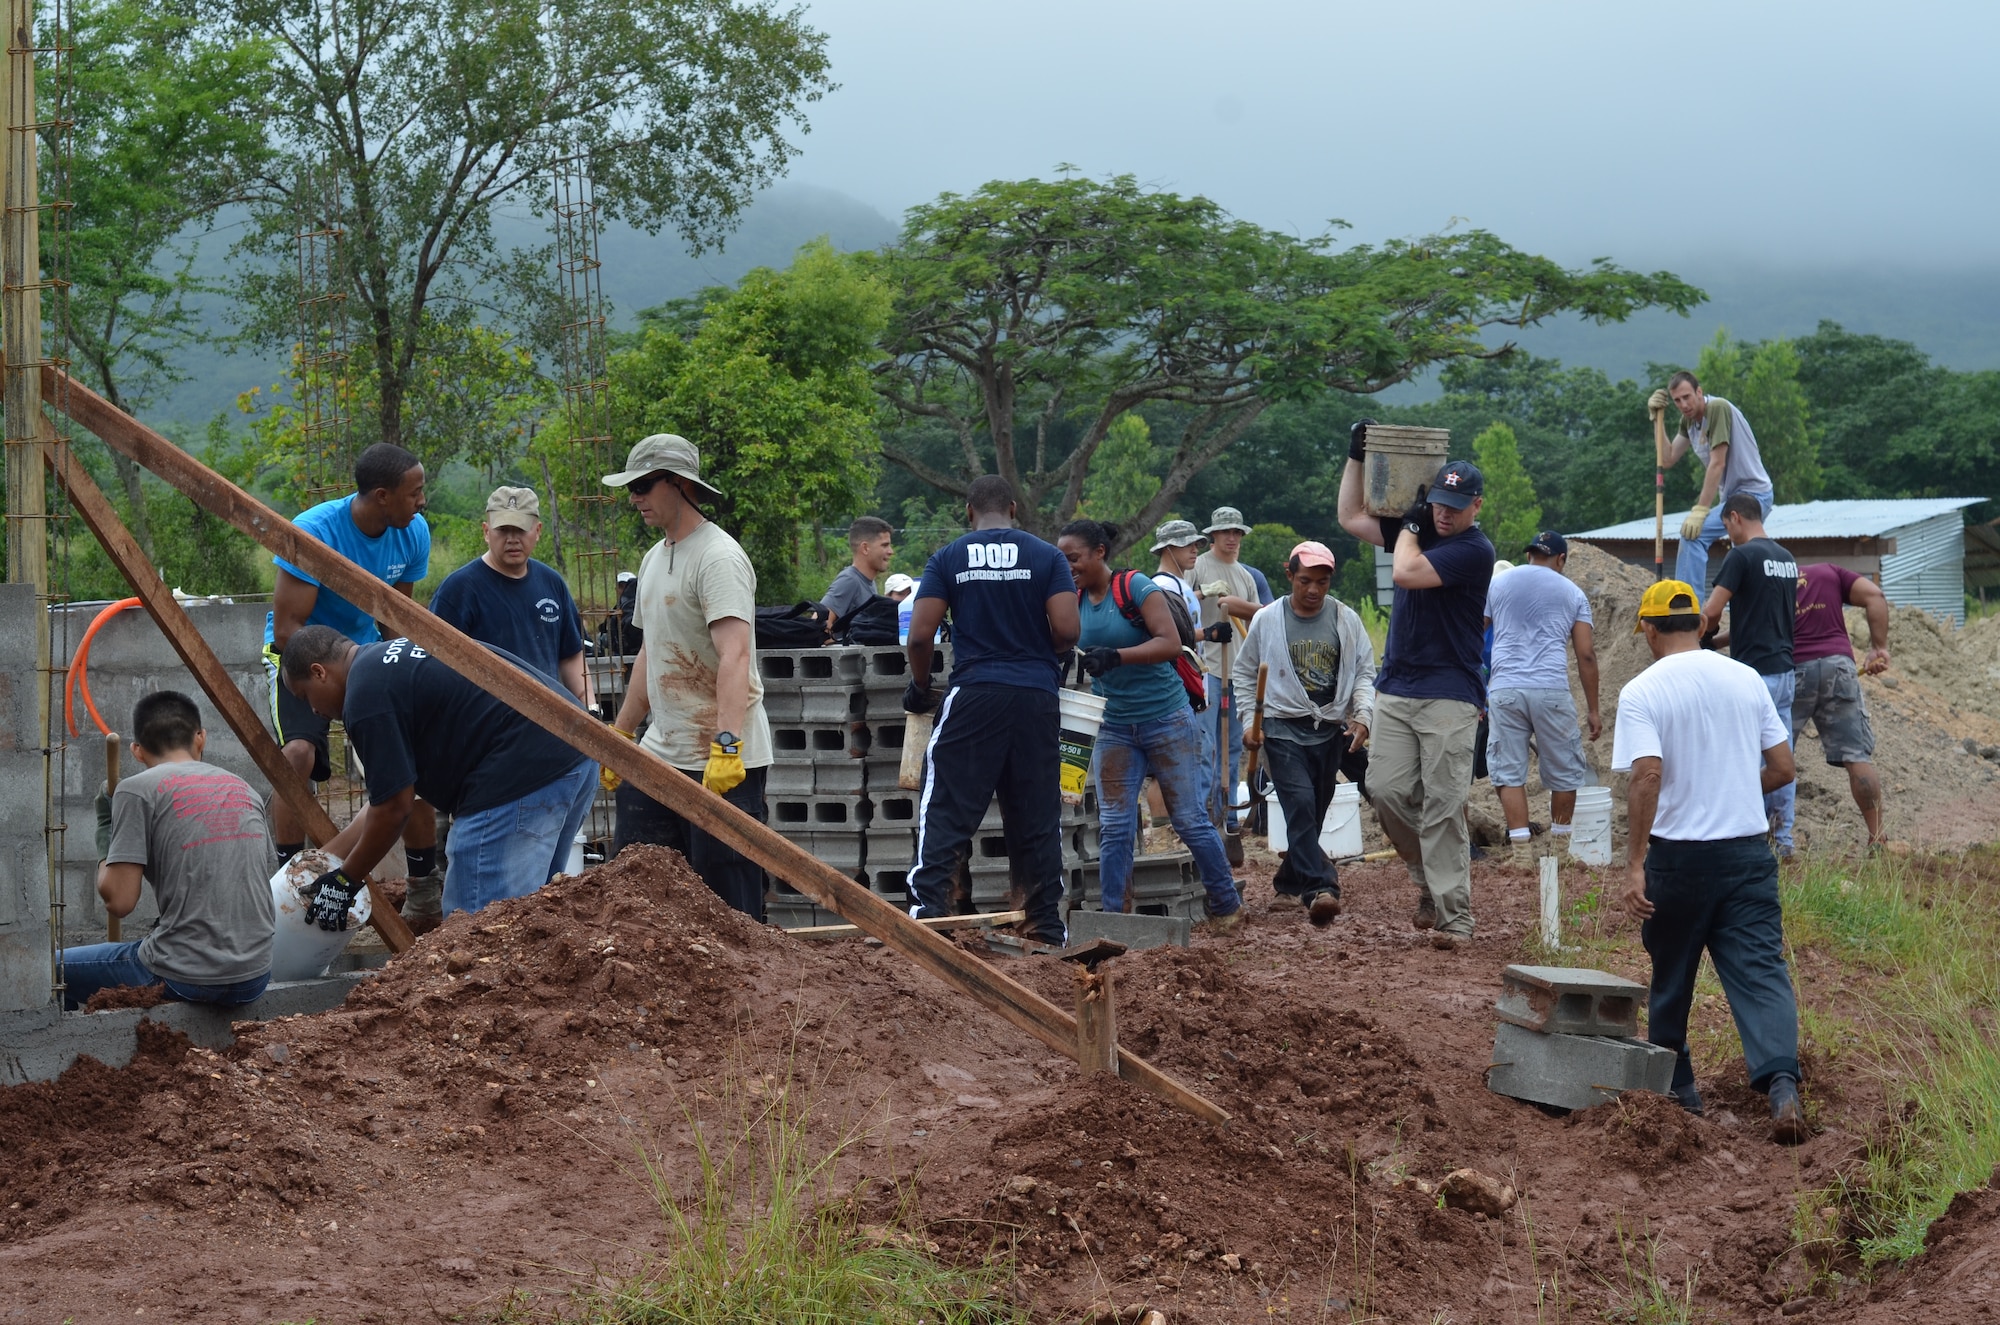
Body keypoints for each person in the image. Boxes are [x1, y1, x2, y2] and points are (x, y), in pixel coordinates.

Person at [1612, 579, 1805, 1144]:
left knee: (1672, 974)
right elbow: (1784, 768)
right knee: (1760, 972)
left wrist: (1634, 862)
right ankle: (1782, 1084)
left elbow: (1647, 775)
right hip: (1747, 854)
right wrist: (1732, 788)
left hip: (1680, 859)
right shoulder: (1745, 678)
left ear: (1649, 630)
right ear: (1700, 625)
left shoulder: (1643, 691)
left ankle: (1679, 1091)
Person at [282, 627, 598, 923]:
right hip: (573, 748)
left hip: (523, 771)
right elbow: (386, 802)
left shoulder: (364, 696)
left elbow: (394, 809)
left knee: (477, 930)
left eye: (304, 697)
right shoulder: (387, 662)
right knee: (524, 920)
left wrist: (344, 880)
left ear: (318, 672)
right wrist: (327, 864)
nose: (312, 712)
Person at [263, 442, 441, 930]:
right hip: (304, 659)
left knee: (413, 769)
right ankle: (286, 882)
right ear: (382, 496)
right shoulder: (315, 532)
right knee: (297, 754)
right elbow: (287, 631)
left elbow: (396, 622)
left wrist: (394, 678)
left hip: (362, 657)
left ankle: (425, 891)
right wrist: (330, 677)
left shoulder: (412, 533)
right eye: (414, 492)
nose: (422, 501)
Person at [902, 476, 1080, 947]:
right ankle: (1043, 928)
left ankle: (929, 917)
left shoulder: (949, 557)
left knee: (946, 808)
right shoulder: (1048, 557)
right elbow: (1067, 631)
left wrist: (921, 688)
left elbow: (920, 637)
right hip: (1037, 698)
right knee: (1037, 813)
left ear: (969, 512)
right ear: (1015, 509)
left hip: (975, 693)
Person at [602, 434, 774, 920]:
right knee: (636, 892)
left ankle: (748, 994)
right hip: (662, 751)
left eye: (643, 485)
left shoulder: (717, 557)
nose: (634, 497)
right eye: (630, 487)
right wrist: (622, 732)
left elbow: (735, 654)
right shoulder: (654, 558)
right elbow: (651, 655)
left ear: (679, 484)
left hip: (721, 760)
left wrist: (726, 744)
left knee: (727, 904)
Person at [1337, 428, 1494, 950]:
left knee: (1444, 805)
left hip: (1451, 690)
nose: (1443, 515)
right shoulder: (1420, 529)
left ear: (1475, 505)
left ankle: (1454, 918)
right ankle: (1428, 881)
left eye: (1453, 506)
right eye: (1437, 505)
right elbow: (1350, 515)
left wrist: (1410, 520)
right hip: (1398, 685)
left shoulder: (1474, 549)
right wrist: (1357, 456)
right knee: (1383, 790)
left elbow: (1404, 573)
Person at [1057, 519, 1242, 930]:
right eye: (1063, 560)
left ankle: (1226, 904)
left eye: (1074, 558)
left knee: (1189, 818)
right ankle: (1114, 920)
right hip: (1114, 727)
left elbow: (1171, 643)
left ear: (1099, 553)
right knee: (1115, 827)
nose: (1068, 567)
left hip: (1167, 719)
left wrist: (1116, 656)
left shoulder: (1136, 586)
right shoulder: (1073, 598)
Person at [58, 691, 275, 1010]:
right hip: (255, 976)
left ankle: (82, 1056)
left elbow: (119, 901)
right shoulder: (244, 788)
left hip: (184, 977)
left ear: (137, 751)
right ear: (200, 738)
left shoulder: (137, 790)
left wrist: (106, 826)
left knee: (53, 970)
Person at [1234, 541, 1375, 926]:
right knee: (1298, 804)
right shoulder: (1268, 619)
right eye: (1305, 581)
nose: (1313, 590)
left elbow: (1364, 671)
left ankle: (1286, 882)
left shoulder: (1345, 619)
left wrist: (1362, 715)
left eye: (1323, 582)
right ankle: (1322, 888)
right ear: (1289, 575)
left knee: (1315, 807)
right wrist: (1250, 723)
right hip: (1281, 727)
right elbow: (1245, 675)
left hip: (1329, 728)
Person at [1701, 493, 1802, 857]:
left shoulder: (1740, 556)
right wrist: (1720, 645)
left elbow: (1711, 612)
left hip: (1754, 676)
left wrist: (1694, 636)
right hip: (1784, 673)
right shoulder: (1786, 559)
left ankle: (1750, 836)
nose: (1726, 534)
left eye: (1726, 526)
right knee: (1781, 756)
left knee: (1747, 755)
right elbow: (1767, 622)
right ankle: (1782, 840)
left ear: (1734, 518)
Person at [1484, 532, 1602, 843]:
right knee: (1565, 771)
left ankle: (1520, 849)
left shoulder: (1497, 583)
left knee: (1508, 772)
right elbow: (1586, 655)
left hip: (1505, 689)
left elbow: (1473, 632)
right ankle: (1561, 848)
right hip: (1551, 690)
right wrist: (1593, 709)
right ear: (1561, 559)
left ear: (1529, 555)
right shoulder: (1573, 593)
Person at [428, 485, 589, 705]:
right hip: (485, 725)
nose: (512, 539)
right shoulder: (459, 589)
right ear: (486, 532)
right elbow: (434, 664)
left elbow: (571, 654)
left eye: (521, 529)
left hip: (549, 720)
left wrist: (589, 706)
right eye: (503, 530)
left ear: (538, 531)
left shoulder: (552, 583)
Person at [1793, 563, 1893, 849]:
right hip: (1839, 667)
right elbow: (1875, 596)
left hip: (1794, 668)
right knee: (1856, 756)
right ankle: (1878, 838)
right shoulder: (1830, 572)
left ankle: (1776, 841)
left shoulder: (1777, 577)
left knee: (1777, 757)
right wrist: (1879, 647)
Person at [1649, 371, 1775, 589]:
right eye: (1677, 400)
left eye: (1687, 396)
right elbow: (1667, 458)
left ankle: (1687, 609)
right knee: (1743, 560)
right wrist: (1656, 419)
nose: (1683, 404)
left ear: (1699, 392)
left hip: (1753, 495)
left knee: (1692, 536)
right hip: (1733, 499)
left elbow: (1718, 463)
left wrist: (1700, 511)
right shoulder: (1688, 423)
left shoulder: (1717, 408)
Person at [1195, 507, 1262, 853]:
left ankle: (1228, 814)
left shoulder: (1246, 576)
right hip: (1207, 670)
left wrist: (1237, 605)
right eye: (1226, 533)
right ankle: (1206, 816)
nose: (1232, 538)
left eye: (1237, 532)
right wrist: (1203, 594)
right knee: (1206, 746)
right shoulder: (1199, 566)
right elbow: (1176, 606)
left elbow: (1260, 618)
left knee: (1234, 746)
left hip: (1238, 673)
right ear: (1214, 536)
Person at [821, 515, 895, 628]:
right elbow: (819, 622)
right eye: (884, 545)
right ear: (865, 548)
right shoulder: (849, 580)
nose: (891, 551)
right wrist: (842, 644)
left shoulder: (869, 582)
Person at [1149, 519, 1206, 621]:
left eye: (1196, 545)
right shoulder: (1165, 585)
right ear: (1168, 549)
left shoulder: (1178, 582)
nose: (1195, 550)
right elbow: (1170, 633)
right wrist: (1209, 633)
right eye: (1188, 544)